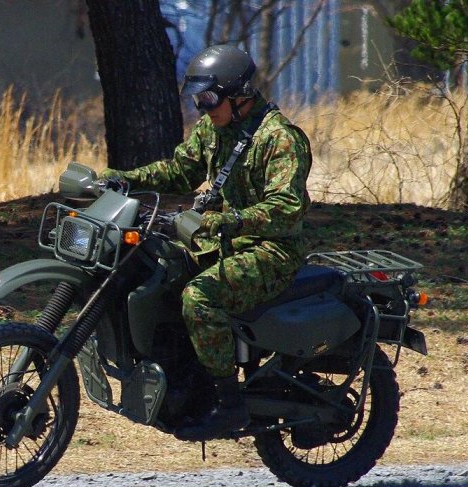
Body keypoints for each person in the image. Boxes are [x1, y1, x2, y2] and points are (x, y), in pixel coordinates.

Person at [100, 44, 311, 441]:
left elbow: (288, 208)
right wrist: (127, 179)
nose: (203, 108)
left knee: (200, 297)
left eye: (210, 98)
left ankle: (229, 404)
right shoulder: (214, 130)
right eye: (198, 100)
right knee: (157, 273)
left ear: (241, 94)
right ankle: (181, 381)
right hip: (219, 243)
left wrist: (228, 220)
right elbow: (180, 170)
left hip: (269, 251)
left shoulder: (280, 139)